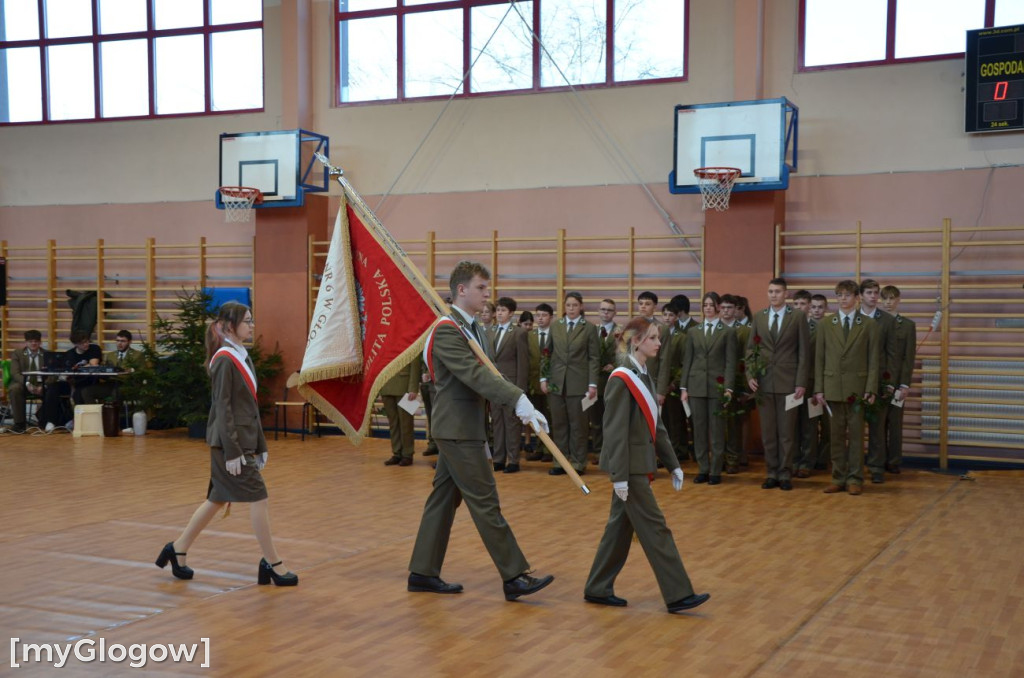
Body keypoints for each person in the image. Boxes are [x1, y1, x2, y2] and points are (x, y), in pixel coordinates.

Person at [408, 261, 553, 600]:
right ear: (461, 290)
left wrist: (520, 403)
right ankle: (514, 575)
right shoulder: (447, 329)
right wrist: (516, 398)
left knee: (443, 500)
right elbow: (473, 375)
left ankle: (423, 571)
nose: (488, 295)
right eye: (481, 288)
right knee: (486, 500)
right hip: (457, 428)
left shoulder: (476, 329)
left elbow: (489, 374)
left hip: (468, 427)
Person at [155, 302, 297, 586]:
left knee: (217, 499)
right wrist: (234, 451)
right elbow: (223, 407)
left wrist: (261, 443)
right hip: (229, 444)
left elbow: (249, 406)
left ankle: (178, 548)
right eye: (247, 320)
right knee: (259, 497)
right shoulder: (224, 359)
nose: (252, 324)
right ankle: (272, 563)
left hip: (242, 440)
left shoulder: (242, 355)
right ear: (230, 326)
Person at [583, 317, 710, 614]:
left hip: (638, 464)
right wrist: (620, 476)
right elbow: (614, 431)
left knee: (619, 529)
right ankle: (678, 594)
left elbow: (656, 424)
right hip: (630, 469)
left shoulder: (643, 375)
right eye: (653, 337)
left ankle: (597, 587)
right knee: (656, 529)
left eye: (658, 337)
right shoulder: (621, 378)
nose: (658, 342)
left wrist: (673, 464)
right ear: (636, 341)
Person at [814, 280, 880, 496]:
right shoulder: (825, 324)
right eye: (839, 295)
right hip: (832, 387)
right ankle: (838, 477)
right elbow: (819, 359)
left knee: (857, 436)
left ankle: (855, 478)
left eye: (847, 295)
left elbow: (873, 360)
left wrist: (871, 388)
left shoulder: (868, 324)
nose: (843, 299)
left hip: (857, 389)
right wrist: (819, 388)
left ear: (856, 298)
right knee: (835, 436)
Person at [746, 278, 810, 491]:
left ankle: (785, 473)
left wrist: (801, 382)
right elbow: (750, 351)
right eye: (770, 291)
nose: (773, 295)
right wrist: (751, 374)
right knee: (769, 432)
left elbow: (803, 353)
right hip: (764, 383)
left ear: (786, 294)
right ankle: (771, 472)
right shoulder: (759, 317)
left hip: (789, 383)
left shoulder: (798, 317)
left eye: (777, 291)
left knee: (786, 433)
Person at [680, 292, 736, 485]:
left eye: (712, 305)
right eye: (705, 305)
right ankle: (703, 468)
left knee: (717, 430)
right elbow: (687, 361)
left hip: (717, 387)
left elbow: (730, 362)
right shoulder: (694, 331)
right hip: (695, 386)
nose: (708, 308)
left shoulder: (727, 332)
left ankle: (715, 470)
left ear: (718, 307)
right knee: (699, 431)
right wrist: (684, 387)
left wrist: (729, 388)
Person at [542, 291, 600, 475]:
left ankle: (578, 462)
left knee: (578, 426)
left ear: (581, 307)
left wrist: (592, 384)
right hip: (556, 382)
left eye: (575, 305)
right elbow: (546, 353)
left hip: (579, 382)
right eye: (568, 305)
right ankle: (560, 462)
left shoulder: (589, 328)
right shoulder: (556, 326)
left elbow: (594, 358)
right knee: (558, 424)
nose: (572, 309)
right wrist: (544, 378)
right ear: (564, 307)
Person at [860, 279, 898, 485]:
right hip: (855, 380)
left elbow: (892, 354)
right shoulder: (852, 318)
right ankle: (855, 467)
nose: (873, 296)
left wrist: (890, 382)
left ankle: (876, 467)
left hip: (880, 381)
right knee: (855, 428)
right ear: (861, 296)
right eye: (869, 293)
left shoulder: (887, 321)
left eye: (876, 293)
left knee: (877, 428)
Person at [489, 297, 530, 473]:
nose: (499, 313)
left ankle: (513, 460)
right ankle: (498, 458)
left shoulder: (518, 332)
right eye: (498, 310)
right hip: (494, 385)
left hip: (511, 384)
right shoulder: (489, 331)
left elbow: (523, 363)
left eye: (503, 310)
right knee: (497, 422)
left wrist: (520, 390)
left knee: (512, 422)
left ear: (511, 313)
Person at [879, 285, 917, 474]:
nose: (888, 302)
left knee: (894, 423)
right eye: (885, 298)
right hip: (877, 382)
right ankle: (877, 460)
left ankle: (893, 460)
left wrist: (904, 384)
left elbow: (908, 358)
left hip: (897, 383)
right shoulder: (874, 323)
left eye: (892, 298)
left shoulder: (908, 326)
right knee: (877, 424)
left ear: (898, 300)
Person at [38, 330, 102, 431]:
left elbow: (93, 364)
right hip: (71, 382)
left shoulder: (94, 348)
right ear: (75, 344)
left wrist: (79, 368)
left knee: (79, 393)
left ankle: (79, 420)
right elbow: (66, 371)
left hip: (87, 382)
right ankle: (51, 421)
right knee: (52, 389)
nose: (86, 344)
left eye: (87, 341)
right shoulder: (69, 354)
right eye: (82, 343)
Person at [719, 294, 750, 473]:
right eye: (723, 308)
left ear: (736, 309)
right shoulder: (714, 328)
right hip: (717, 381)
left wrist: (746, 387)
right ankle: (720, 456)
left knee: (734, 422)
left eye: (729, 308)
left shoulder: (744, 330)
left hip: (737, 381)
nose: (726, 311)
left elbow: (747, 360)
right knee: (718, 422)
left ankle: (733, 458)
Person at [790, 290, 820, 478]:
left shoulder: (819, 328)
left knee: (809, 426)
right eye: (797, 304)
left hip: (810, 383)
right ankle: (793, 460)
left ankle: (807, 463)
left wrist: (818, 388)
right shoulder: (788, 327)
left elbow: (820, 359)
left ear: (809, 306)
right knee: (791, 426)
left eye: (803, 304)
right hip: (791, 384)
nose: (800, 307)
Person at [591, 298, 621, 462]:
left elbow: (626, 356)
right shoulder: (592, 330)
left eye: (609, 310)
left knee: (612, 420)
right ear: (598, 311)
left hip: (613, 381)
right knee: (596, 420)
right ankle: (598, 451)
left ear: (615, 313)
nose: (605, 313)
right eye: (603, 309)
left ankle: (612, 452)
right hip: (595, 381)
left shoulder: (621, 331)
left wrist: (615, 365)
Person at [525, 303, 555, 462]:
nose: (540, 318)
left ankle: (550, 450)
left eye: (544, 315)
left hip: (552, 384)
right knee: (536, 417)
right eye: (538, 315)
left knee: (550, 417)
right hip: (533, 383)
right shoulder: (529, 335)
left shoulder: (555, 335)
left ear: (551, 317)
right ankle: (538, 447)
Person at [380, 357, 422, 467]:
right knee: (393, 423)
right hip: (386, 384)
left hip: (404, 385)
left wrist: (413, 388)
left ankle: (407, 454)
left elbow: (415, 363)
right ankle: (397, 453)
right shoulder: (381, 340)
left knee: (406, 423)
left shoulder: (406, 340)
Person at [81, 329, 140, 404]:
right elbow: (105, 371)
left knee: (116, 393)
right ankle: (96, 414)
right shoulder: (110, 355)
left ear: (130, 342)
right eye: (117, 341)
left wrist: (130, 371)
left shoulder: (137, 355)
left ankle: (115, 415)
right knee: (86, 391)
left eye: (123, 341)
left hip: (126, 384)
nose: (119, 343)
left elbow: (141, 373)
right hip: (110, 383)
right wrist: (97, 369)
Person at [7, 330, 45, 433]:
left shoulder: (46, 354)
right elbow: (15, 373)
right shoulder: (17, 354)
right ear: (26, 342)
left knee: (54, 388)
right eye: (30, 341)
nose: (33, 343)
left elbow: (52, 374)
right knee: (15, 389)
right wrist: (27, 384)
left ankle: (47, 421)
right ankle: (19, 424)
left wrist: (43, 386)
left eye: (36, 341)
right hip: (24, 384)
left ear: (40, 342)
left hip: (41, 385)